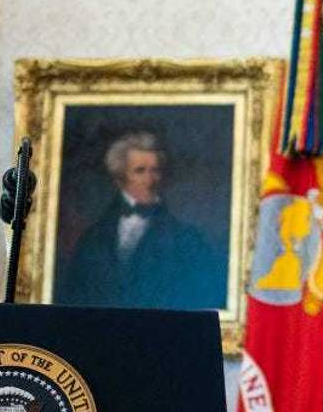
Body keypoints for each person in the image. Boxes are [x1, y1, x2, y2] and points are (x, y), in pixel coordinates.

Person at [57, 131, 225, 310]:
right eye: (140, 171)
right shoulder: (93, 238)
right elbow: (73, 296)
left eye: (155, 171)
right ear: (119, 178)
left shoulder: (187, 239)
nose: (150, 180)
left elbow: (202, 298)